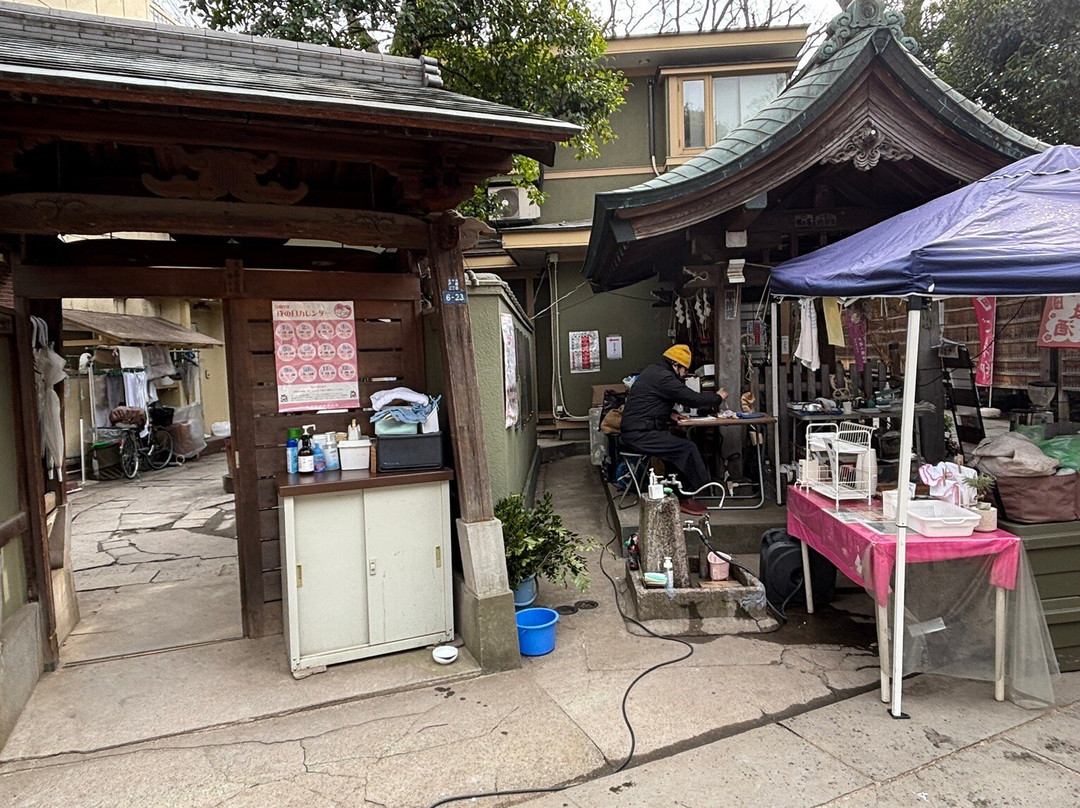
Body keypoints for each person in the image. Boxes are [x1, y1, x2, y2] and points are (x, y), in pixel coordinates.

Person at [620, 345, 727, 516]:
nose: (684, 375)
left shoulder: (652, 371)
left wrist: (670, 414)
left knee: (675, 446)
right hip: (640, 434)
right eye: (684, 371)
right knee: (686, 448)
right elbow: (692, 399)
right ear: (676, 365)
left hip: (636, 431)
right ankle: (691, 493)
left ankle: (680, 493)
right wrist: (717, 397)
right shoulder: (664, 377)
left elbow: (649, 402)